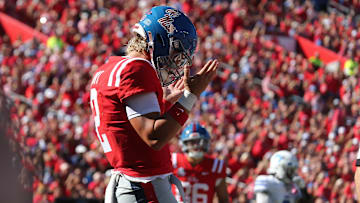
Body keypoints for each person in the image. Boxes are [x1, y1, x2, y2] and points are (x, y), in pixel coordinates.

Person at [89, 6, 219, 203]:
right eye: (176, 49)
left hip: (132, 184)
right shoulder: (137, 68)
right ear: (157, 40)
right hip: (144, 187)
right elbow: (154, 137)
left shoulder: (109, 67)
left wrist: (165, 102)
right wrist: (190, 96)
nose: (178, 61)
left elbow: (128, 127)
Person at [172, 122, 230, 203]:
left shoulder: (216, 166)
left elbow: (223, 199)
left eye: (199, 142)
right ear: (184, 143)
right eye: (192, 142)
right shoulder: (173, 161)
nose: (196, 146)